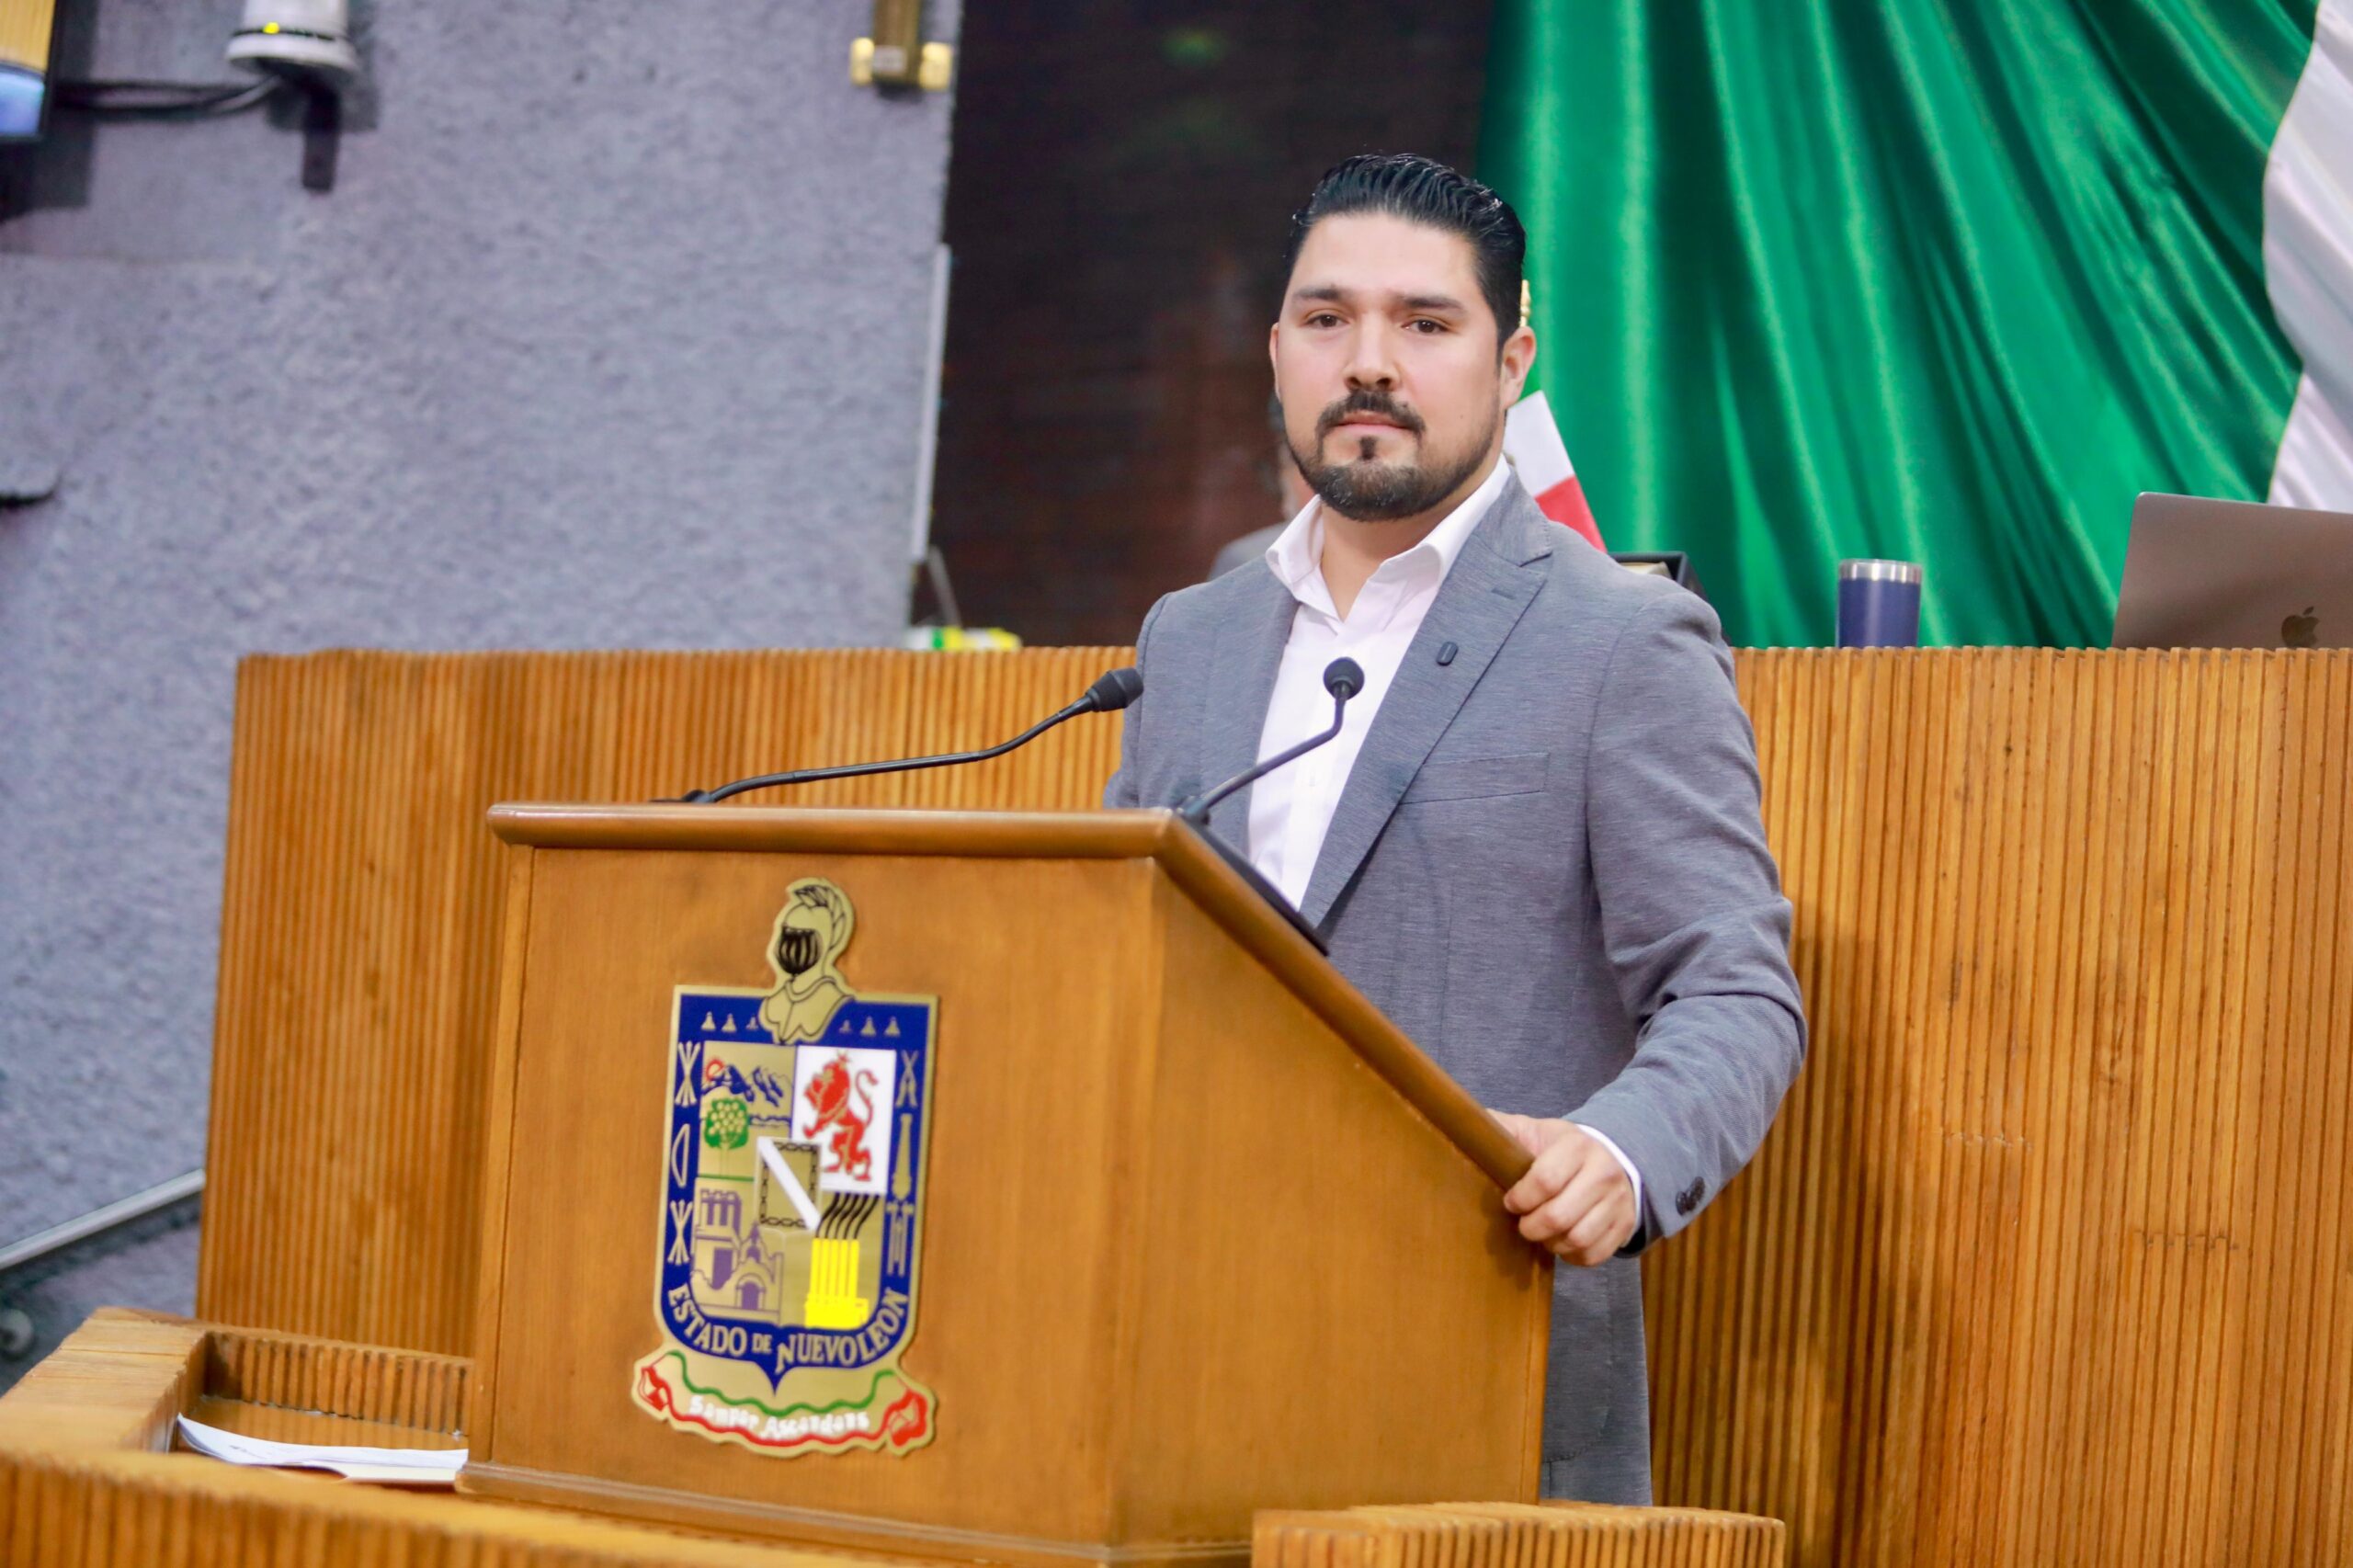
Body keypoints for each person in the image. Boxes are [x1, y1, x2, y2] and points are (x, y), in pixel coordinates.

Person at [1105, 153, 1805, 1504]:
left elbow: (1734, 989)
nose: (1369, 362)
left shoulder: (1625, 640)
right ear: (1277, 351)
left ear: (1512, 361)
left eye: (1426, 323)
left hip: (1483, 1347)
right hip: (1176, 1349)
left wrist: (1620, 1152)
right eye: (1327, 319)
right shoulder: (1187, 638)